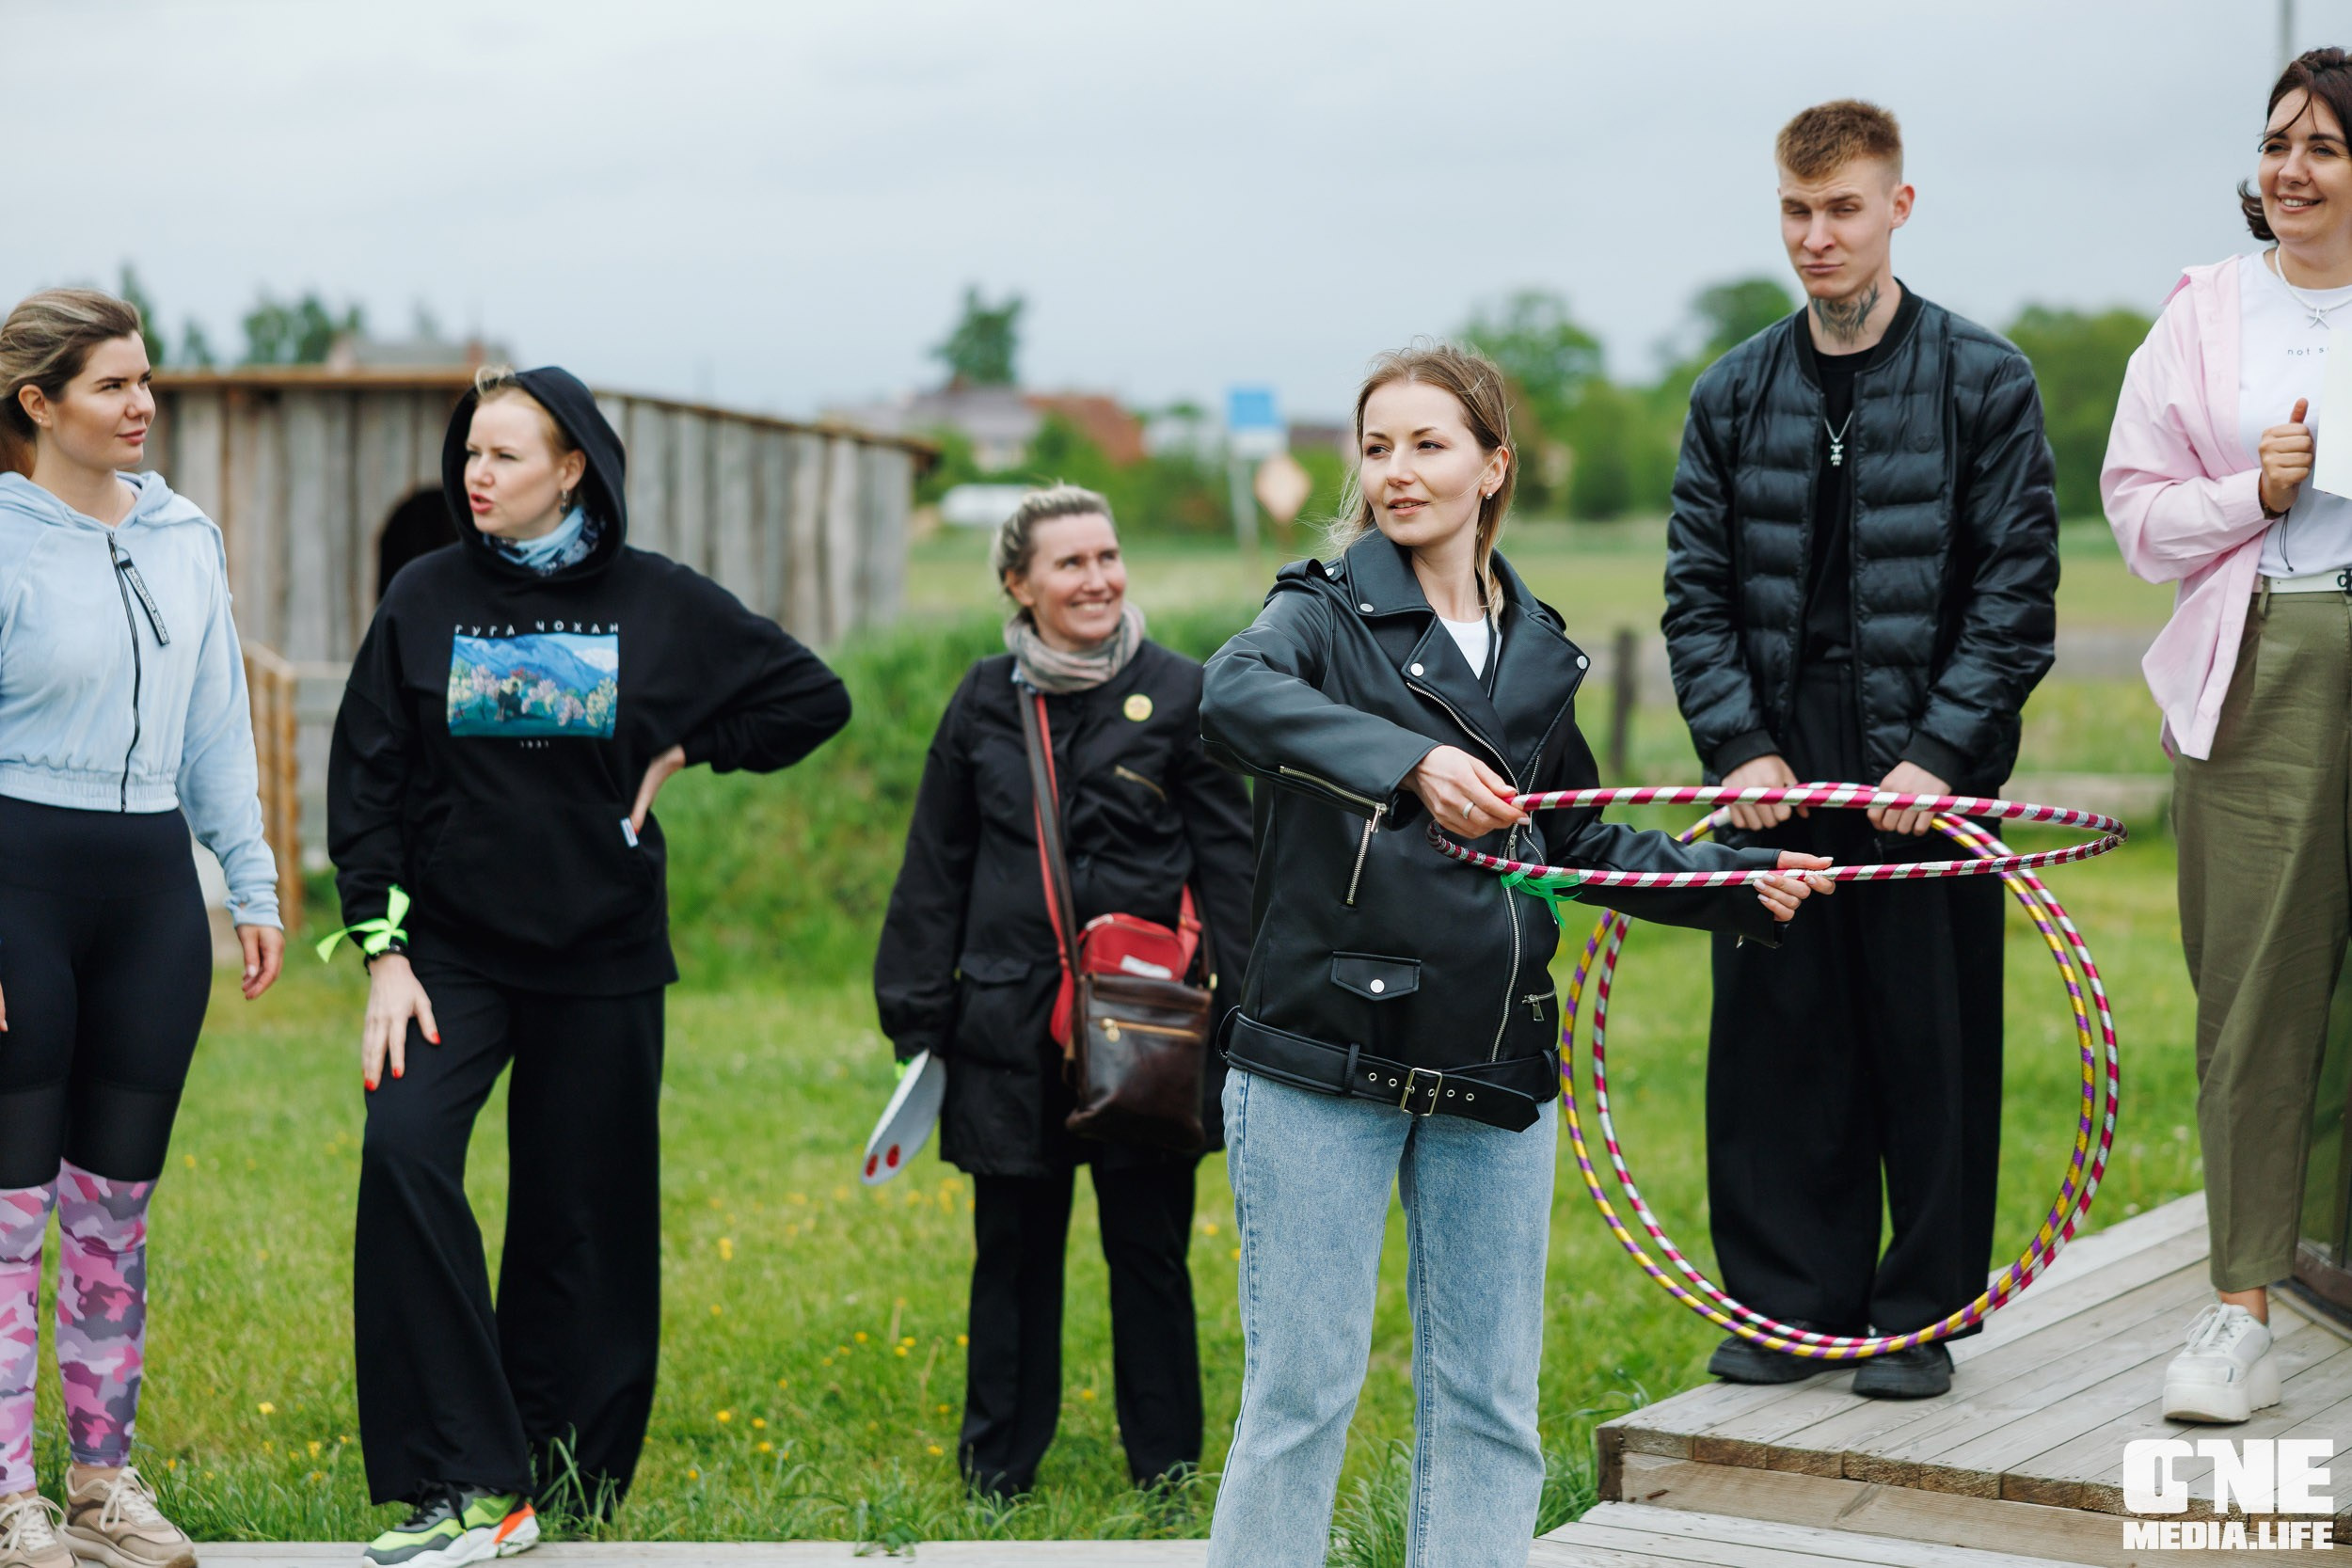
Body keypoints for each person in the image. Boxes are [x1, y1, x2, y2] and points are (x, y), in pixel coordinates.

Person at [1198, 343, 1833, 1568]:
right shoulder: (1317, 615)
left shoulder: (1536, 645)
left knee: (1490, 1401)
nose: (1396, 470)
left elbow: (1573, 836)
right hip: (1323, 1056)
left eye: (1428, 444)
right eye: (1376, 446)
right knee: (1300, 1396)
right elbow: (1230, 693)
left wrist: (1731, 881)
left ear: (1493, 466)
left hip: (1492, 1062)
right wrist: (1409, 761)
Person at [326, 365, 850, 1566]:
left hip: (601, 951)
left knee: (582, 1221)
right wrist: (382, 950)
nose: (476, 473)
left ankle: (559, 1485)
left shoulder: (655, 599)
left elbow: (809, 698)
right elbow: (367, 780)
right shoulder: (423, 595)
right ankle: (466, 1471)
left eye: (505, 455)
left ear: (573, 470)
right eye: (471, 451)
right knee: (404, 1157)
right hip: (449, 953)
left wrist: (685, 749)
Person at [1661, 100, 2059, 1401]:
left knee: (1925, 1040)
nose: (1816, 235)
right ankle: (1788, 1302)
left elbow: (2015, 595)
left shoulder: (1983, 380)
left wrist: (1943, 752)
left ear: (1898, 206)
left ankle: (1915, 1314)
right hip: (1775, 764)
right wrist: (1737, 746)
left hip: (1924, 766)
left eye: (1842, 208)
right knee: (1776, 1040)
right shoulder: (1732, 391)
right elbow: (1696, 595)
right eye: (1796, 209)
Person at [873, 485, 1253, 1499]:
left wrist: (1248, 1011)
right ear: (1019, 583)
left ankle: (1166, 1470)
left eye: (1107, 556)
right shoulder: (981, 699)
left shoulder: (1181, 691)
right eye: (1070, 563)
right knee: (1012, 1252)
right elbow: (936, 862)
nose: (1097, 579)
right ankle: (997, 1470)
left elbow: (1231, 864)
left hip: (1147, 1027)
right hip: (1008, 1025)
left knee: (1149, 1251)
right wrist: (916, 1011)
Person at [0, 288, 286, 1568]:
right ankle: (7, 1494)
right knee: (10, 1211)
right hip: (18, 883)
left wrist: (252, 880)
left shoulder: (183, 536)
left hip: (151, 894)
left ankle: (102, 1484)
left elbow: (217, 719)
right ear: (38, 401)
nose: (142, 404)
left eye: (146, 379)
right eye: (113, 383)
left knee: (114, 1207)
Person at [2103, 47, 2352, 1425]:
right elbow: (2138, 516)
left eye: (2325, 146)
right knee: (2255, 987)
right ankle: (2243, 1308)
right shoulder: (2205, 315)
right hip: (2267, 658)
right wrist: (2249, 495)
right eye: (2277, 143)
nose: (2291, 170)